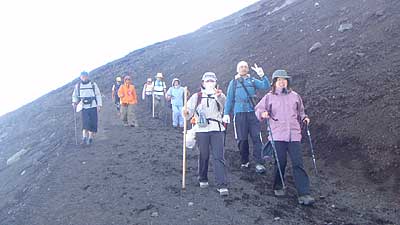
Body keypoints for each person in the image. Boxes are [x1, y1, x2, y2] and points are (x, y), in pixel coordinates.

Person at [254, 69, 315, 205]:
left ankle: (304, 193)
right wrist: (263, 113)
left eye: (284, 79)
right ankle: (278, 186)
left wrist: (305, 118)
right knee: (280, 162)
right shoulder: (269, 97)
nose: (282, 82)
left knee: (298, 163)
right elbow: (258, 109)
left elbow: (301, 112)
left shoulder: (295, 96)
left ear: (288, 81)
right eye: (279, 80)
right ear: (274, 82)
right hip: (277, 134)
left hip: (294, 135)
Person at [182, 72, 229, 196]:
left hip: (217, 129)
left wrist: (219, 97)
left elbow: (225, 106)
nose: (209, 83)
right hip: (202, 129)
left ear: (215, 83)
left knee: (219, 156)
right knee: (204, 154)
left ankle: (222, 184)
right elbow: (188, 113)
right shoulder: (196, 97)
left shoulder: (220, 95)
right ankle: (202, 178)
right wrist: (185, 111)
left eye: (212, 81)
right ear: (202, 83)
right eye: (207, 81)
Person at [222, 61, 270, 173]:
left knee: (257, 138)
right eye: (241, 67)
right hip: (239, 114)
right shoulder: (233, 83)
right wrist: (226, 113)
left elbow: (265, 86)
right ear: (237, 69)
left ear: (248, 69)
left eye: (245, 67)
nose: (243, 68)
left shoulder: (252, 80)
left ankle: (259, 162)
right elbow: (229, 99)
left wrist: (262, 75)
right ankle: (245, 161)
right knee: (242, 139)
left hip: (253, 113)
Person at [72, 71, 102, 146]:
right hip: (84, 107)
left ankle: (90, 138)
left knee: (92, 122)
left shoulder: (93, 84)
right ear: (80, 77)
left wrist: (99, 105)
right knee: (85, 123)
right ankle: (84, 138)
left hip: (93, 106)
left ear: (88, 76)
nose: (84, 78)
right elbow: (75, 95)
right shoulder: (78, 86)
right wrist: (74, 102)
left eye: (85, 76)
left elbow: (98, 95)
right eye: (82, 77)